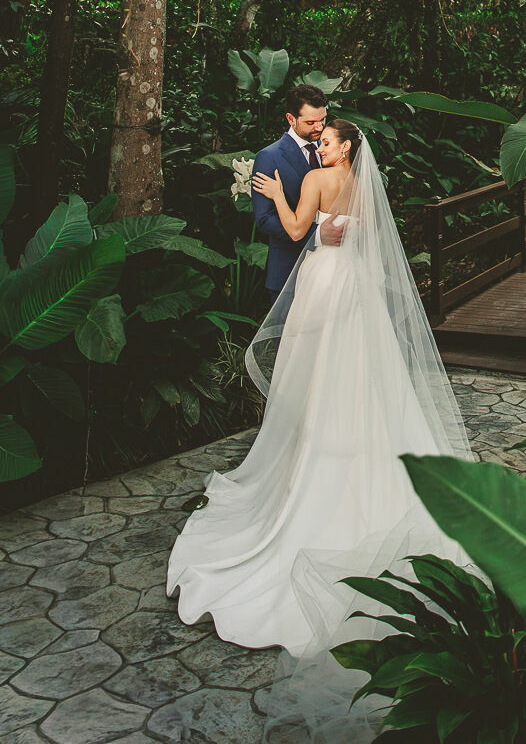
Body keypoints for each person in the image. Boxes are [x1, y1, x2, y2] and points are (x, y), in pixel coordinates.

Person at [166, 117, 475, 742]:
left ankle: (317, 462)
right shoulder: (363, 186)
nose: (322, 143)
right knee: (363, 375)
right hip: (355, 288)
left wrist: (277, 195)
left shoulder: (312, 177)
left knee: (317, 381)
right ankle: (368, 456)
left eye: (330, 138)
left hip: (325, 284)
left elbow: (298, 230)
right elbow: (356, 237)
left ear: (344, 147)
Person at [252, 83, 329, 302]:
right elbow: (265, 219)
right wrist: (318, 237)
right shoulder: (269, 157)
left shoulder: (330, 150)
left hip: (332, 269)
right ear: (290, 118)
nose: (319, 127)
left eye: (323, 119)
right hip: (289, 267)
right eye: (310, 122)